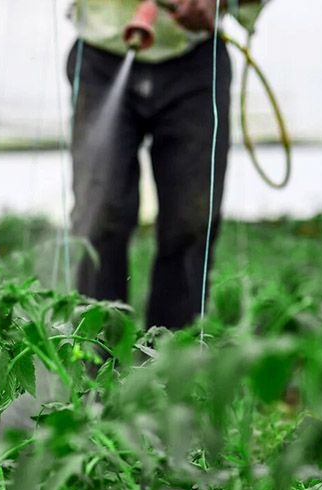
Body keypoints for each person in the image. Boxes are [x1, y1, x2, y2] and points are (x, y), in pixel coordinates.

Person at [67, 0, 267, 329]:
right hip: (101, 53)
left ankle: (171, 365)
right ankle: (94, 365)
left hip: (196, 59)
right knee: (98, 216)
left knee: (191, 221)